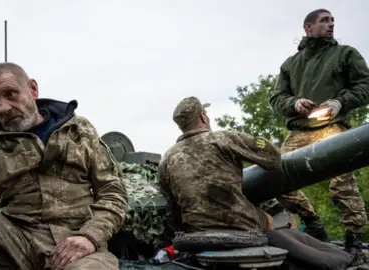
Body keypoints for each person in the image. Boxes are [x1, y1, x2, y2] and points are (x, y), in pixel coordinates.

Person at [0, 62, 129, 270]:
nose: (3, 108)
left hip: (77, 241)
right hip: (13, 240)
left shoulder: (78, 130)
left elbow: (113, 193)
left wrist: (90, 236)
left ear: (33, 89)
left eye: (11, 94)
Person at [269, 8, 369, 255]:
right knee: (277, 179)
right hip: (300, 130)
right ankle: (313, 222)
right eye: (325, 20)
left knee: (342, 184)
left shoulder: (345, 54)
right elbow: (276, 97)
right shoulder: (291, 64)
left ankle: (353, 238)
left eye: (333, 20)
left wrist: (339, 102)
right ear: (309, 27)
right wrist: (294, 104)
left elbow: (365, 85)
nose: (331, 24)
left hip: (333, 127)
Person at [158, 96, 281, 236]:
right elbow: (273, 159)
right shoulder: (224, 138)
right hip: (239, 224)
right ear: (203, 117)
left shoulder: (166, 159)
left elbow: (172, 206)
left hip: (196, 229)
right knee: (272, 218)